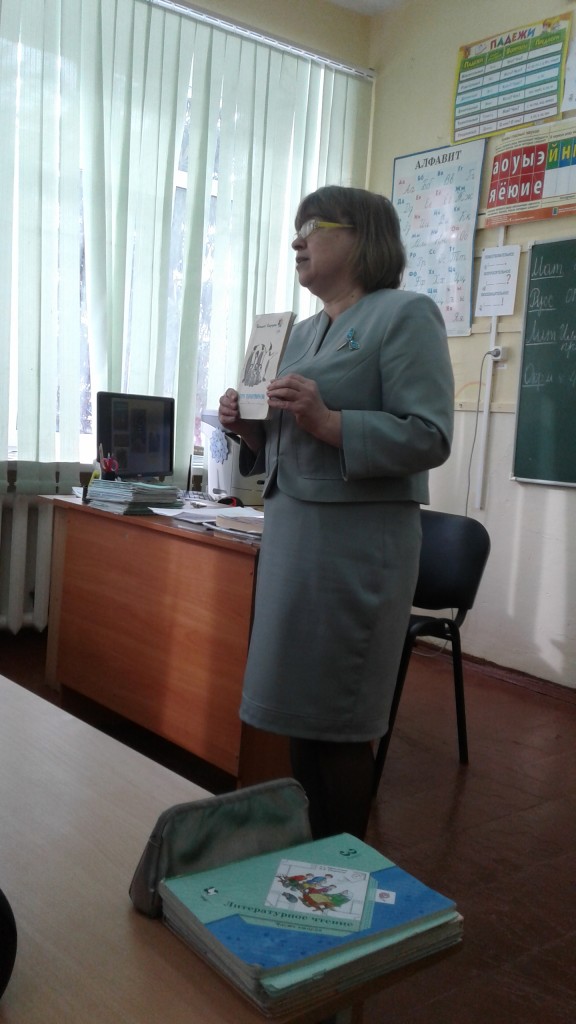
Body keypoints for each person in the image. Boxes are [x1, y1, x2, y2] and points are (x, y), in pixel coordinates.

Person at [218, 185, 454, 840]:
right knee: (301, 714)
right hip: (294, 539)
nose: (298, 241)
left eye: (314, 226)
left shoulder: (405, 315)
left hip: (356, 549)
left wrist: (330, 421)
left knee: (340, 723)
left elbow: (430, 435)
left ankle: (343, 869)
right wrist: (249, 427)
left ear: (362, 237)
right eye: (296, 229)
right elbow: (286, 442)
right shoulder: (298, 333)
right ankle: (311, 863)